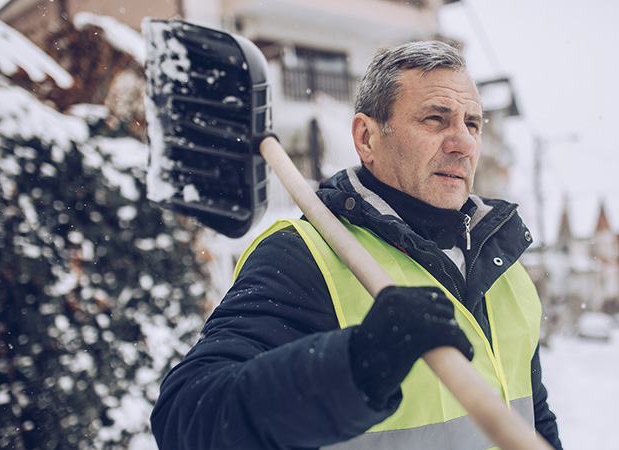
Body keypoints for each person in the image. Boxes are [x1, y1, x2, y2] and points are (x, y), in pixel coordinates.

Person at [151, 40, 563, 450]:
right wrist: (357, 363)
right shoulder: (303, 257)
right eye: (436, 119)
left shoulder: (503, 263)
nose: (464, 143)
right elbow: (189, 417)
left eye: (472, 124)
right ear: (366, 137)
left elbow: (532, 415)